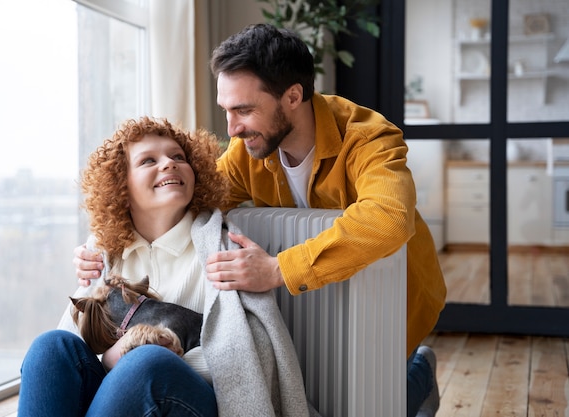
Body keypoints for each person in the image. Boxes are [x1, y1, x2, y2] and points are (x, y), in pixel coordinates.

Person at [74, 24, 447, 417]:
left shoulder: (367, 137)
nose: (232, 129)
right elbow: (177, 203)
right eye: (227, 111)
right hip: (316, 289)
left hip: (394, 291)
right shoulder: (245, 153)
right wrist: (100, 246)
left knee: (375, 393)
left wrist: (277, 269)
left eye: (244, 110)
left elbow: (390, 218)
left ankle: (420, 372)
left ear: (293, 96)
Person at [20, 116, 315, 417]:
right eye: (148, 161)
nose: (169, 164)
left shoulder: (221, 249)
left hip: (191, 400)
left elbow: (246, 358)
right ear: (121, 185)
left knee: (146, 363)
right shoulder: (105, 255)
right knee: (49, 348)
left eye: (178, 157)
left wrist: (158, 355)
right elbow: (71, 344)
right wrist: (114, 358)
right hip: (121, 398)